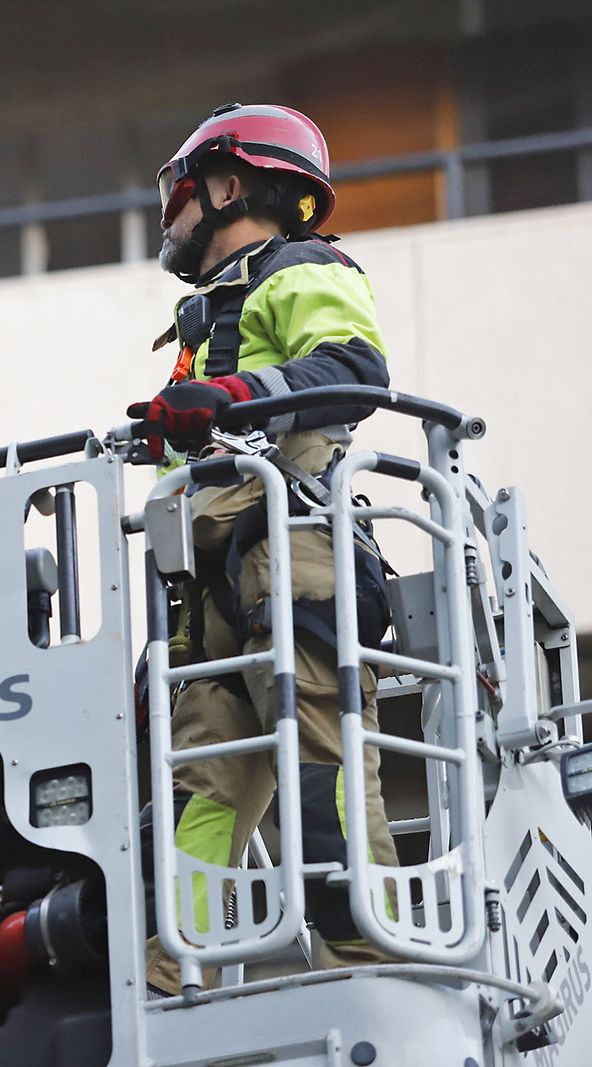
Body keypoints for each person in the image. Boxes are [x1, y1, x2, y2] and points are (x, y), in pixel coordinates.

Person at [130, 104, 398, 992]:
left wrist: (232, 395)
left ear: (228, 185)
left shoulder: (301, 270)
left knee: (319, 763)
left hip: (292, 555)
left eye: (180, 190)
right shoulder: (204, 316)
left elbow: (353, 374)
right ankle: (171, 981)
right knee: (200, 788)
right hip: (209, 587)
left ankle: (370, 967)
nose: (169, 212)